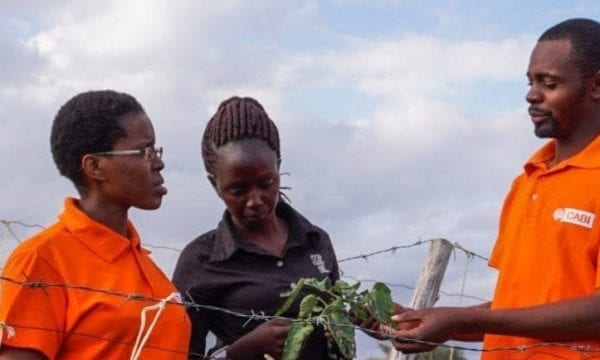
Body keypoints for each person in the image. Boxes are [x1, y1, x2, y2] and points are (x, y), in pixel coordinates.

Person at [382, 18, 600, 360]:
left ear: (596, 86)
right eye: (530, 81)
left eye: (549, 83)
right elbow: (514, 310)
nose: (531, 95)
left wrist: (463, 317)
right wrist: (410, 321)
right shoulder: (527, 180)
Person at [0, 90, 191, 359]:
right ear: (95, 167)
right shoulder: (41, 261)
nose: (158, 163)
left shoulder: (148, 268)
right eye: (145, 151)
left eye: (156, 150)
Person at [172, 96, 341, 360]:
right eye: (237, 190)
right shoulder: (202, 259)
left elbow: (337, 328)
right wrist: (237, 353)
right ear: (214, 184)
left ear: (279, 167)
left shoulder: (315, 240)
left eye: (266, 183)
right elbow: (177, 353)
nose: (255, 200)